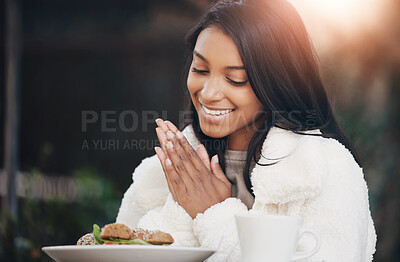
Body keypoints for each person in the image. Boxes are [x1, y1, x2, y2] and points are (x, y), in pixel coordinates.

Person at [116, 0, 377, 261]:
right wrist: (185, 210)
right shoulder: (160, 175)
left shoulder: (324, 169)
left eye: (235, 79)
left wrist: (213, 213)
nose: (207, 93)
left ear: (276, 82)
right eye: (200, 69)